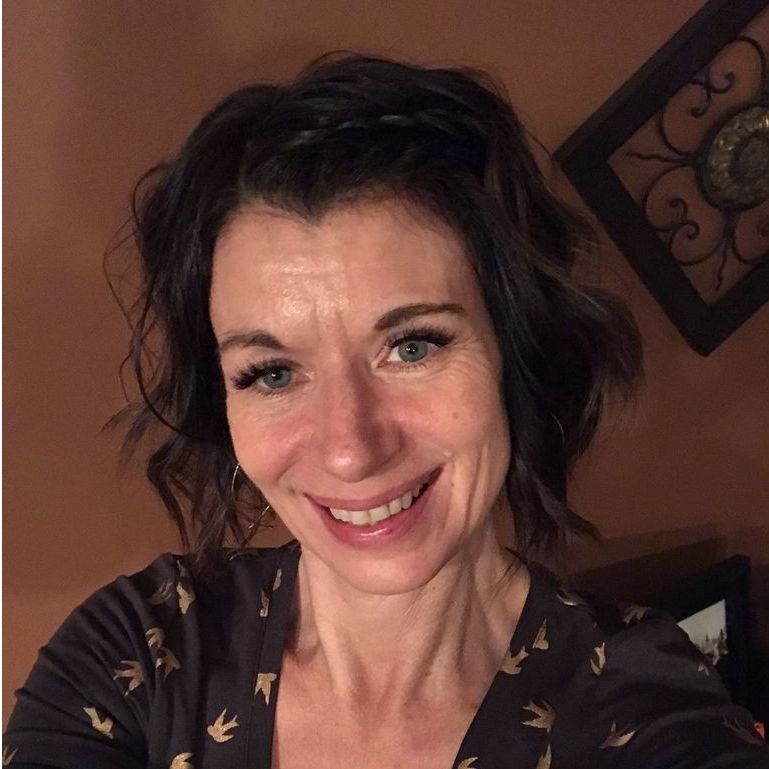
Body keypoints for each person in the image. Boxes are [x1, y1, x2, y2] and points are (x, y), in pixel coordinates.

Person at [5, 54, 768, 769]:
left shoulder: (639, 706)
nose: (350, 448)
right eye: (272, 372)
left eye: (411, 345)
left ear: (515, 350)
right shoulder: (141, 649)